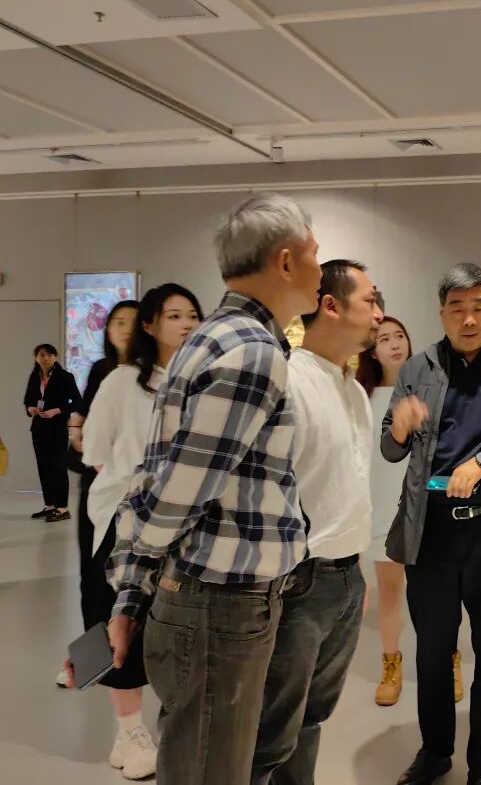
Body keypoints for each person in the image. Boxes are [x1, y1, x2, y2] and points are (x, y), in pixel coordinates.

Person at [107, 193, 322, 785]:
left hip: (209, 597)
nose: (319, 267)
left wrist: (131, 591)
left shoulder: (213, 338)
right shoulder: (251, 351)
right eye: (313, 253)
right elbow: (176, 493)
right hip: (219, 603)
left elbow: (156, 474)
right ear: (285, 261)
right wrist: (135, 582)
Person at [382, 263, 481, 785]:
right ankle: (435, 752)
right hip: (429, 531)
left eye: (478, 307)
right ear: (442, 314)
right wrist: (399, 430)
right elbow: (389, 447)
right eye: (457, 308)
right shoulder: (419, 367)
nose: (468, 318)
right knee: (433, 652)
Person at [251, 260, 382, 785]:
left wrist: (355, 575)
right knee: (273, 726)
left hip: (345, 575)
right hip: (299, 580)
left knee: (311, 715)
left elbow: (346, 488)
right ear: (331, 305)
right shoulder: (289, 381)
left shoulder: (353, 389)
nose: (379, 314)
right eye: (370, 300)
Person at [72, 283, 203, 779]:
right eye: (174, 315)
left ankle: (168, 725)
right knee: (116, 616)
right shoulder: (123, 380)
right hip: (126, 515)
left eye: (192, 315)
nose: (186, 324)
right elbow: (93, 451)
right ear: (150, 325)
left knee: (171, 623)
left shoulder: (201, 379)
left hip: (186, 519)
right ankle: (128, 732)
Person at [360, 316, 467, 708]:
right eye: (383, 338)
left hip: (427, 505)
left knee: (439, 594)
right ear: (373, 351)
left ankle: (448, 660)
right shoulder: (362, 396)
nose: (393, 344)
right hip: (381, 506)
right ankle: (391, 664)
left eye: (399, 336)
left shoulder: (432, 387)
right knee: (389, 591)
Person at [62, 299, 138, 688]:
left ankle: (129, 664)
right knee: (93, 578)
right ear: (107, 331)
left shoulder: (154, 376)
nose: (125, 328)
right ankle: (89, 662)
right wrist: (81, 441)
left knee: (130, 584)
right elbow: (81, 432)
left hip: (136, 492)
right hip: (99, 490)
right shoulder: (101, 371)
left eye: (133, 321)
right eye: (118, 322)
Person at [22, 343, 82, 522]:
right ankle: (50, 505)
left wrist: (56, 411)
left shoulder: (65, 377)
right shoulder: (34, 376)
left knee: (58, 467)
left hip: (57, 427)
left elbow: (77, 402)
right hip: (38, 428)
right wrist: (31, 409)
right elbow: (28, 400)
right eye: (42, 355)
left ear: (56, 357)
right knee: (43, 467)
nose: (46, 358)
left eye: (49, 355)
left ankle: (62, 508)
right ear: (36, 358)